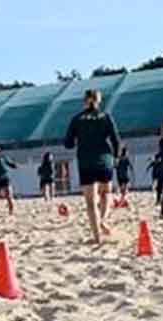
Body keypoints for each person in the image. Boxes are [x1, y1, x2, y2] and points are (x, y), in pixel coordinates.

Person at [64, 89, 121, 244]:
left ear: (85, 101)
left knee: (90, 202)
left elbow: (67, 143)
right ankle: (103, 220)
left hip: (85, 161)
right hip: (104, 160)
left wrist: (80, 139)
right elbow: (116, 140)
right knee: (106, 193)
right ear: (99, 100)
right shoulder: (106, 117)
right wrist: (116, 157)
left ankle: (97, 237)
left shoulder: (77, 119)